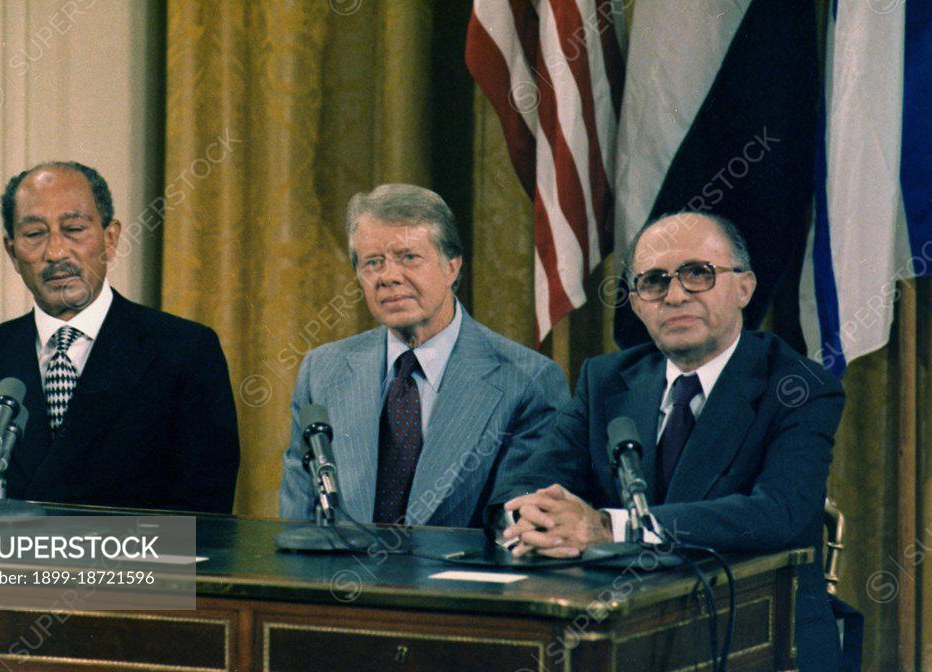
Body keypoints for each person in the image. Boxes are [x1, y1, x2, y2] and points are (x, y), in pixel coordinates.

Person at [491, 212, 843, 671]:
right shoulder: (607, 380)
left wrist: (607, 527)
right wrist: (533, 518)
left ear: (744, 288)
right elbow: (521, 488)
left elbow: (777, 514)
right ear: (637, 304)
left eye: (698, 274)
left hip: (759, 633)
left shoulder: (798, 386)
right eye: (654, 282)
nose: (675, 295)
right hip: (623, 632)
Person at [0, 162, 240, 513]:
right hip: (2, 567)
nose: (55, 252)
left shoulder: (184, 351)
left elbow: (205, 516)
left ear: (110, 238)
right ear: (12, 252)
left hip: (132, 566)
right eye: (35, 234)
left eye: (74, 229)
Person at [279, 184, 570, 528]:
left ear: (452, 267)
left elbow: (515, 527)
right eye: (373, 263)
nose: (388, 277)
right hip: (342, 579)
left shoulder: (526, 381)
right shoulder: (322, 370)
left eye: (408, 258)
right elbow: (298, 524)